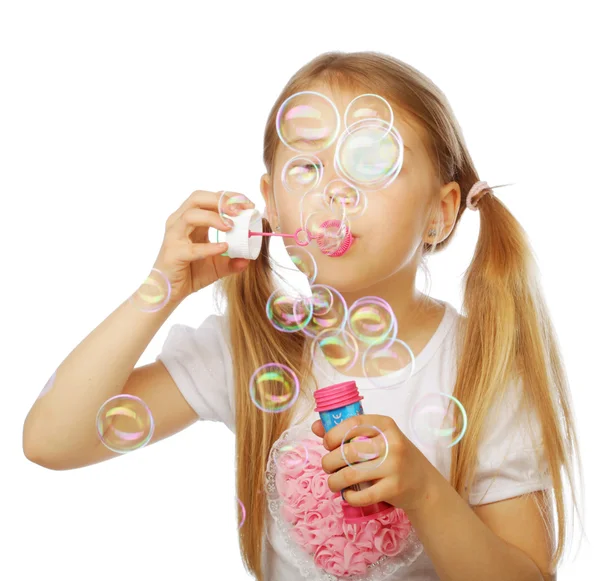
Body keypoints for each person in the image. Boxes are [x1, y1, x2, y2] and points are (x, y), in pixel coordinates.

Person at [23, 51, 582, 581]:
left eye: (369, 162)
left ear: (440, 213)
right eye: (308, 166)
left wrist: (426, 492)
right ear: (270, 202)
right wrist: (160, 291)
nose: (334, 191)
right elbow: (52, 441)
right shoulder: (249, 348)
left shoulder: (482, 368)